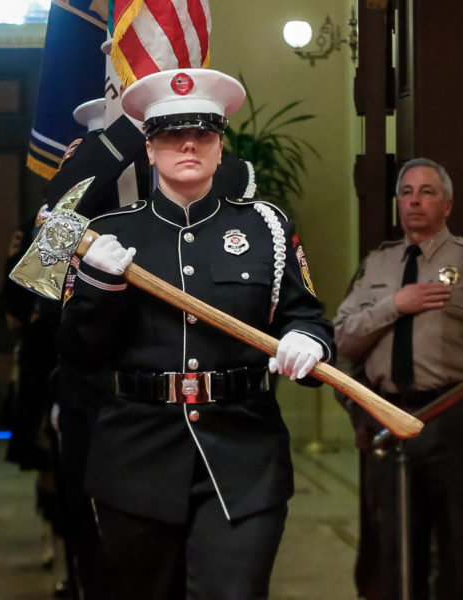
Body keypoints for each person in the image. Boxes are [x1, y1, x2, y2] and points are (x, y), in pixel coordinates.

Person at [56, 68, 334, 599]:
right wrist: (98, 285)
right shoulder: (109, 235)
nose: (188, 144)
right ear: (149, 148)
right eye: (171, 134)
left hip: (243, 454)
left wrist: (307, 341)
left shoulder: (266, 227)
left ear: (220, 145)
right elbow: (77, 354)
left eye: (203, 133)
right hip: (136, 457)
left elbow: (306, 316)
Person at [333, 158, 463, 599]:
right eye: (407, 192)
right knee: (396, 547)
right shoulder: (376, 265)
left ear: (447, 204)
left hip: (455, 419)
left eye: (427, 192)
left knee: (461, 546)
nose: (414, 201)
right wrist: (395, 305)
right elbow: (341, 339)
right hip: (390, 420)